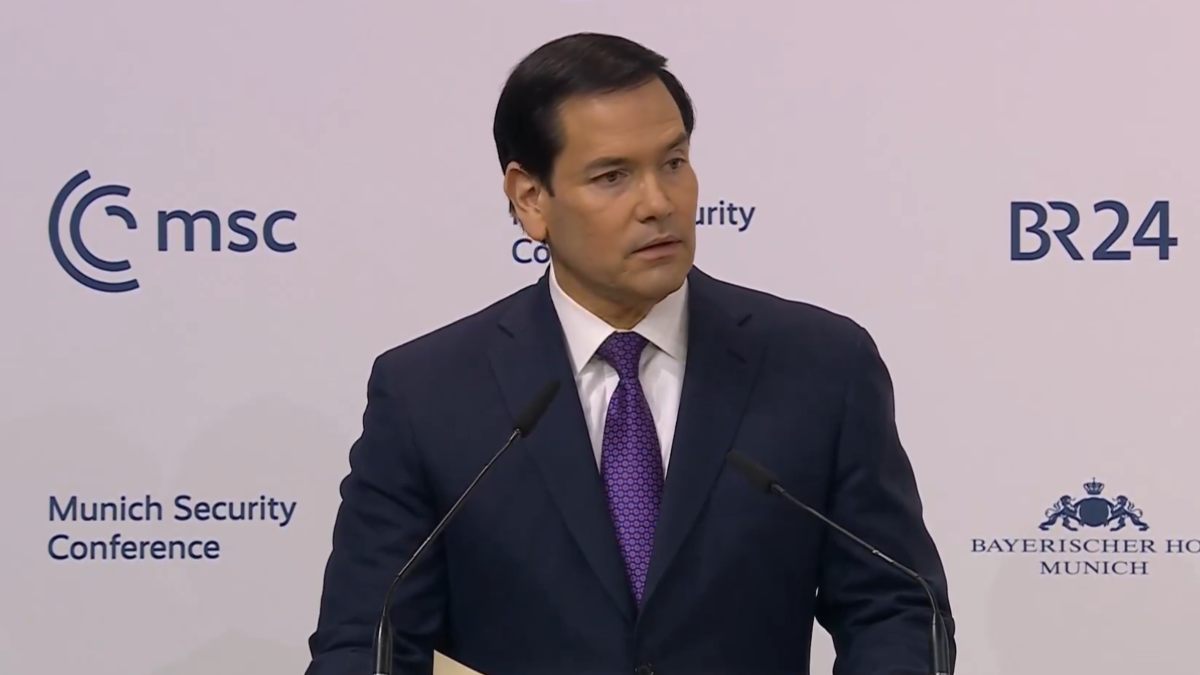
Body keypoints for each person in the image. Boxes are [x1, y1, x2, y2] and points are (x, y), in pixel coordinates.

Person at [306, 32, 954, 675]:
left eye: (673, 162)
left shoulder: (820, 366)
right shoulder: (428, 395)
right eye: (613, 176)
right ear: (531, 199)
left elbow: (896, 607)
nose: (659, 203)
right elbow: (367, 643)